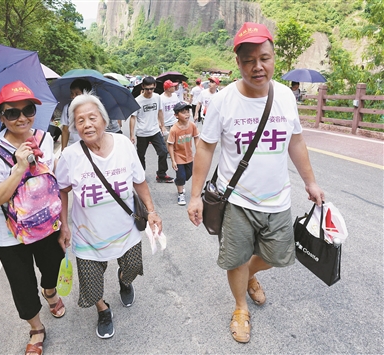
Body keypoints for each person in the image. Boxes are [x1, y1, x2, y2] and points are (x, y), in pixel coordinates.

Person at [187, 22, 324, 344]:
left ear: (274, 58)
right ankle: (239, 308)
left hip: (277, 198)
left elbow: (296, 142)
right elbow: (206, 147)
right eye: (249, 60)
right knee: (234, 259)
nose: (257, 66)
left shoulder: (285, 97)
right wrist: (195, 196)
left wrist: (311, 183)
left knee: (279, 257)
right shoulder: (223, 100)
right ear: (238, 63)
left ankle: (248, 275)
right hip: (236, 199)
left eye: (264, 58)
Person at [55, 92, 162, 339]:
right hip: (88, 236)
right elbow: (61, 189)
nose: (87, 124)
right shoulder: (70, 156)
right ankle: (103, 310)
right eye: (80, 121)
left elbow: (140, 182)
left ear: (104, 120)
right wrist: (64, 225)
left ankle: (125, 281)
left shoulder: (123, 144)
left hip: (126, 229)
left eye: (92, 118)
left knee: (133, 266)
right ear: (74, 127)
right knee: (91, 284)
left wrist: (152, 211)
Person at [0, 80, 69, 355]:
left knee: (52, 265)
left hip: (47, 224)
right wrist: (18, 168)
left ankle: (50, 291)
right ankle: (36, 328)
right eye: (11, 113)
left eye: (28, 109)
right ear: (1, 117)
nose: (21, 118)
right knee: (22, 282)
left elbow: (53, 184)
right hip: (9, 233)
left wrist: (65, 224)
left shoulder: (44, 138)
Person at [129, 76, 174, 183]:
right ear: (143, 86)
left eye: (151, 89)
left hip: (155, 131)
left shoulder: (157, 97)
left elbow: (160, 112)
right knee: (140, 155)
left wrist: (162, 125)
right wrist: (131, 135)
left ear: (155, 86)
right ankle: (141, 174)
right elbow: (133, 117)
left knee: (163, 152)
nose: (149, 91)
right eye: (147, 89)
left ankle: (161, 174)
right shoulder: (137, 100)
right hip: (142, 132)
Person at [167, 102, 199, 206]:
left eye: (188, 112)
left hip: (189, 156)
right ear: (176, 115)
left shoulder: (192, 125)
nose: (187, 115)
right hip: (178, 156)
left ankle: (179, 182)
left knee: (188, 174)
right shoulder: (174, 129)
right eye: (183, 113)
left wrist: (198, 151)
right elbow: (170, 145)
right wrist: (173, 160)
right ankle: (180, 193)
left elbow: (196, 137)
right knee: (181, 175)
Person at [61, 79, 92, 150]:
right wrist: (63, 151)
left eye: (77, 94)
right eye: (72, 93)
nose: (73, 97)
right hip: (72, 147)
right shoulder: (68, 108)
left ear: (86, 93)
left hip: (89, 147)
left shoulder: (93, 109)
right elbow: (65, 130)